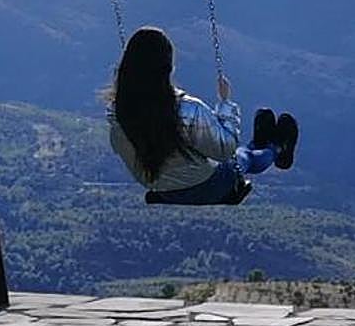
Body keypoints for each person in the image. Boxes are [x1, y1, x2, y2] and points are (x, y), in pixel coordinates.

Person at [107, 26, 298, 205]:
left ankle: (259, 144)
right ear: (168, 67)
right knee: (241, 159)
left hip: (160, 188)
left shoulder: (118, 113)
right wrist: (225, 104)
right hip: (207, 186)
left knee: (232, 156)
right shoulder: (186, 110)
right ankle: (277, 148)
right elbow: (224, 149)